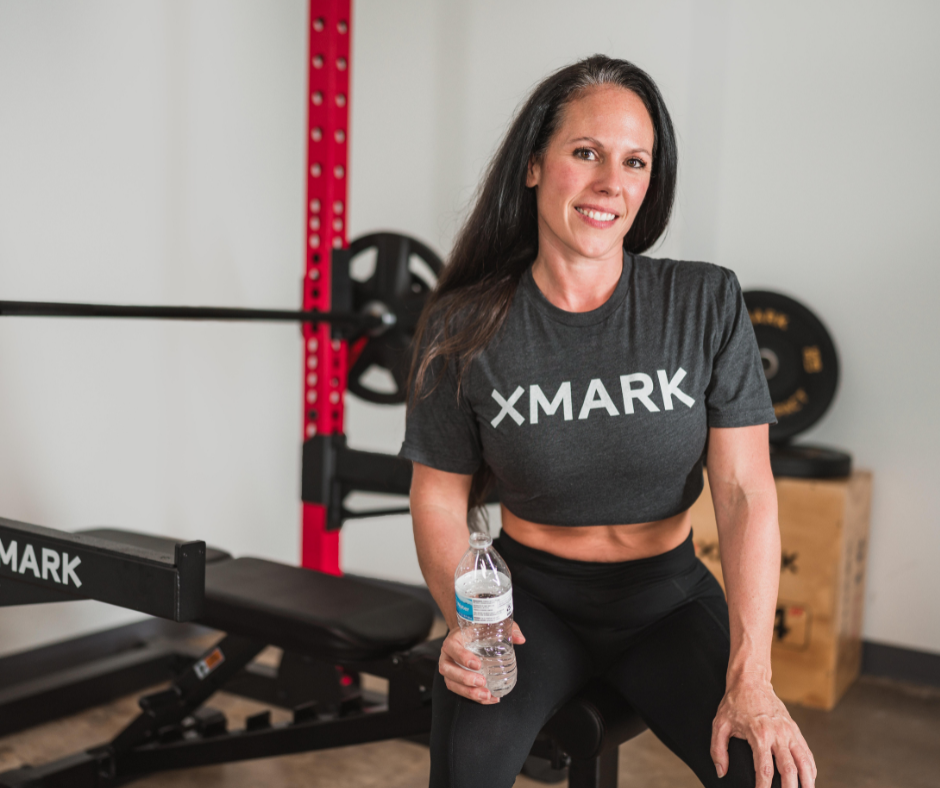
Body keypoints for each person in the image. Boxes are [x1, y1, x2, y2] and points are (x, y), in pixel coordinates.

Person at [399, 55, 816, 788]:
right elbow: (437, 496)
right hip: (527, 608)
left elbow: (745, 491)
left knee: (771, 777)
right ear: (534, 165)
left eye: (634, 162)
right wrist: (466, 621)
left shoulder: (704, 303)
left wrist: (753, 675)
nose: (610, 184)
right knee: (465, 775)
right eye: (586, 153)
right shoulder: (464, 325)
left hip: (667, 602)